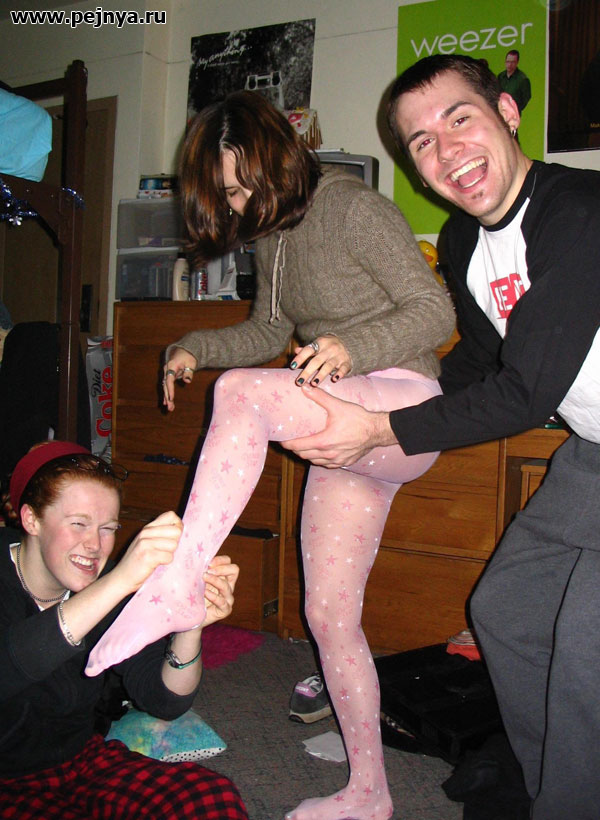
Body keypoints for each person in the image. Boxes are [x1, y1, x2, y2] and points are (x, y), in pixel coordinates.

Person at [86, 90, 455, 820]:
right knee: (328, 615)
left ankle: (180, 579)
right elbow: (267, 331)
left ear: (280, 158)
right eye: (230, 194)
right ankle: (370, 792)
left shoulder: (352, 208)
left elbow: (434, 310)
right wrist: (193, 347)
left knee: (244, 395)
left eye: (246, 185)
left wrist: (351, 347)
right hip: (344, 428)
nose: (242, 203)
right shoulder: (272, 236)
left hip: (403, 405)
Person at [284, 54, 600, 820]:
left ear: (508, 114)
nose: (446, 149)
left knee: (587, 654)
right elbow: (480, 364)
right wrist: (378, 394)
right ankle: (550, 786)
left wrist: (381, 428)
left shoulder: (578, 211)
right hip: (594, 453)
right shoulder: (462, 243)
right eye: (421, 141)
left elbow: (526, 391)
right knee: (506, 611)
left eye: (460, 118)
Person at [0, 439, 248, 820]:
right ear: (31, 519)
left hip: (80, 762)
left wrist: (190, 623)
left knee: (212, 799)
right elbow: (12, 663)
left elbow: (164, 700)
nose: (95, 545)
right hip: (8, 781)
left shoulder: (106, 585)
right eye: (79, 524)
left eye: (108, 528)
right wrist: (118, 582)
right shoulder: (105, 585)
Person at [497, 49, 531, 114]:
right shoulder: (500, 76)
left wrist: (516, 108)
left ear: (517, 62)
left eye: (512, 62)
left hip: (514, 113)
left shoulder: (522, 79)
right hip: (500, 112)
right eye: (508, 62)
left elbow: (526, 97)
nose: (509, 65)